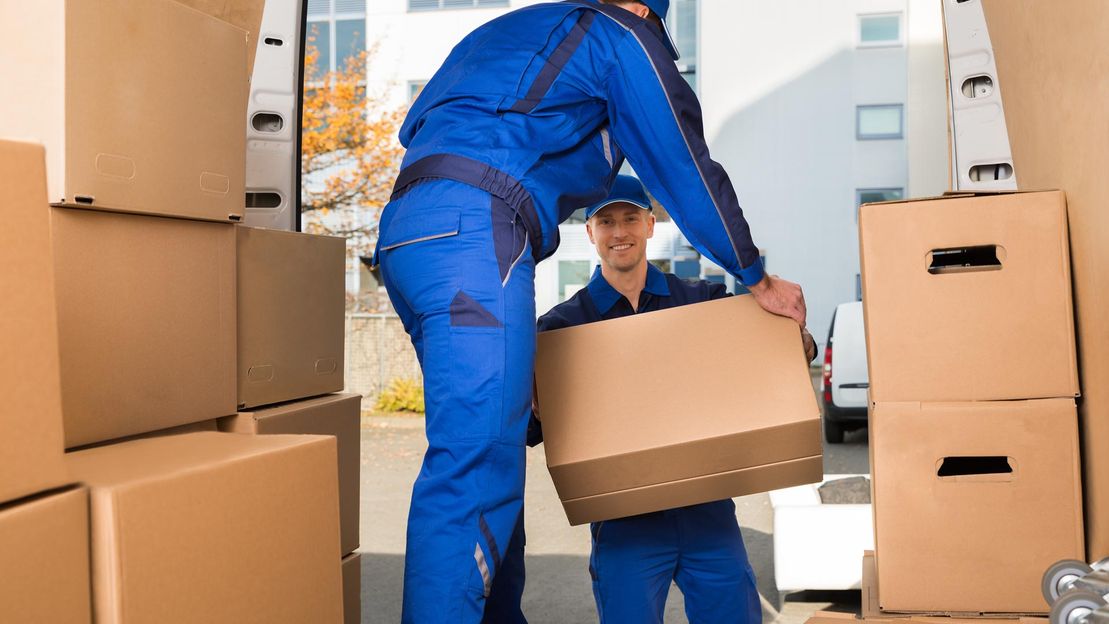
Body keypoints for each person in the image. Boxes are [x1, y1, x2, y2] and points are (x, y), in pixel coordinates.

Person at [373, 1, 808, 621]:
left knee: (489, 458)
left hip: (410, 234)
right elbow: (682, 160)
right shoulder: (620, 33)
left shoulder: (508, 32)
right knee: (473, 471)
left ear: (646, 227)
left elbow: (423, 128)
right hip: (476, 228)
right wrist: (753, 272)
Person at [498, 176, 815, 623]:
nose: (619, 232)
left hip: (708, 510)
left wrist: (795, 342)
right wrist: (530, 400)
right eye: (606, 221)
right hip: (625, 522)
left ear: (651, 225)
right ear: (590, 233)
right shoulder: (561, 330)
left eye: (630, 218)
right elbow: (533, 430)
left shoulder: (702, 302)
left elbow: (761, 362)